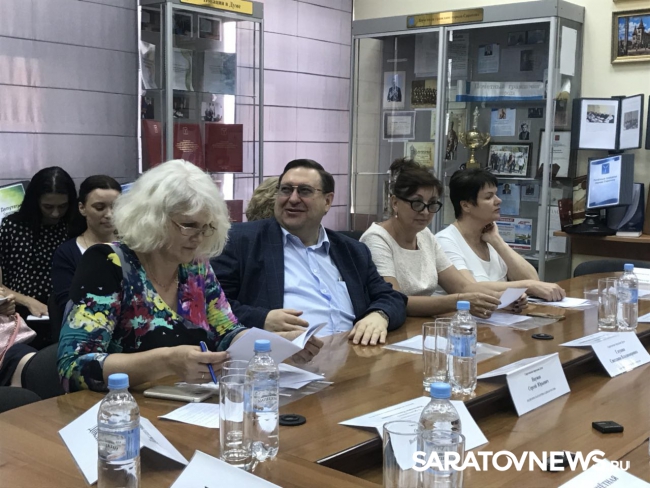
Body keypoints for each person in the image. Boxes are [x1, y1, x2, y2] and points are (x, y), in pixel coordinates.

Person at [57, 160, 321, 393]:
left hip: (186, 405)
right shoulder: (109, 262)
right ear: (153, 219)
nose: (199, 237)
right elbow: (73, 366)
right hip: (119, 411)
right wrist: (166, 361)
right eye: (189, 225)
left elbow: (227, 332)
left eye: (206, 227)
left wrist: (277, 345)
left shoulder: (194, 265)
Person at [212, 159, 407, 347]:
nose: (293, 199)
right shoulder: (240, 241)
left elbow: (392, 297)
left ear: (327, 201)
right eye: (286, 190)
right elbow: (211, 306)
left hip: (353, 354)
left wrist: (380, 315)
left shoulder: (352, 251)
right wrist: (263, 318)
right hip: (281, 358)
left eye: (304, 191)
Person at [359, 159, 501, 319]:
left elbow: (461, 286)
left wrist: (501, 299)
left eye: (432, 204)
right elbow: (394, 300)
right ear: (395, 202)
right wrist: (457, 301)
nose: (425, 212)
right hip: (391, 325)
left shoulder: (424, 235)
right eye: (417, 203)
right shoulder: (376, 239)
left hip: (425, 323)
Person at [435, 169, 565, 301]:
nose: (498, 200)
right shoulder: (445, 241)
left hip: (499, 312)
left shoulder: (490, 235)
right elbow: (469, 289)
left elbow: (534, 280)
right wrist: (528, 286)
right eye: (488, 197)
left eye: (496, 195)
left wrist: (497, 241)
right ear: (466, 206)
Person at [0, 167, 78, 320]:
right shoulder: (13, 226)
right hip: (19, 311)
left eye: (62, 206)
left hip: (66, 310)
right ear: (35, 202)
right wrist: (28, 301)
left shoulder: (73, 227)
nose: (55, 213)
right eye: (48, 207)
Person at [51, 175, 122, 315]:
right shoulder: (67, 253)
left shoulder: (135, 248)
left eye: (116, 207)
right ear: (82, 208)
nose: (109, 214)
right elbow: (68, 304)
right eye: (100, 208)